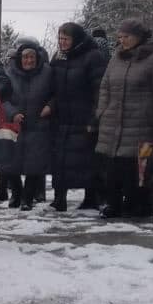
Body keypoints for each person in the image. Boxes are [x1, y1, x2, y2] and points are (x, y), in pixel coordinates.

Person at [94, 18, 153, 219]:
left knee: (139, 168)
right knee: (113, 167)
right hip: (114, 123)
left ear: (139, 37)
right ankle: (114, 204)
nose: (122, 41)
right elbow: (105, 86)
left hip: (143, 124)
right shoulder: (116, 58)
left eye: (126, 37)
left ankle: (139, 205)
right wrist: (103, 110)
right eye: (120, 37)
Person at [48, 23, 106, 211]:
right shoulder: (58, 57)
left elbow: (99, 90)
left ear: (77, 39)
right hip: (62, 117)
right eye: (60, 39)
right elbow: (52, 87)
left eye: (66, 39)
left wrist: (95, 118)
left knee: (87, 160)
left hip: (84, 117)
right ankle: (59, 199)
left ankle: (91, 198)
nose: (62, 42)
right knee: (60, 160)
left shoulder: (92, 56)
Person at [0, 38, 54, 209]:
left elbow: (56, 94)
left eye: (32, 57)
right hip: (16, 126)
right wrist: (13, 113)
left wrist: (50, 106)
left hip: (39, 124)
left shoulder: (48, 73)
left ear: (37, 58)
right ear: (19, 59)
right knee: (10, 162)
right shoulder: (9, 73)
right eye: (25, 57)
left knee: (34, 163)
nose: (28, 60)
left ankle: (27, 199)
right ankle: (16, 193)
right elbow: (2, 99)